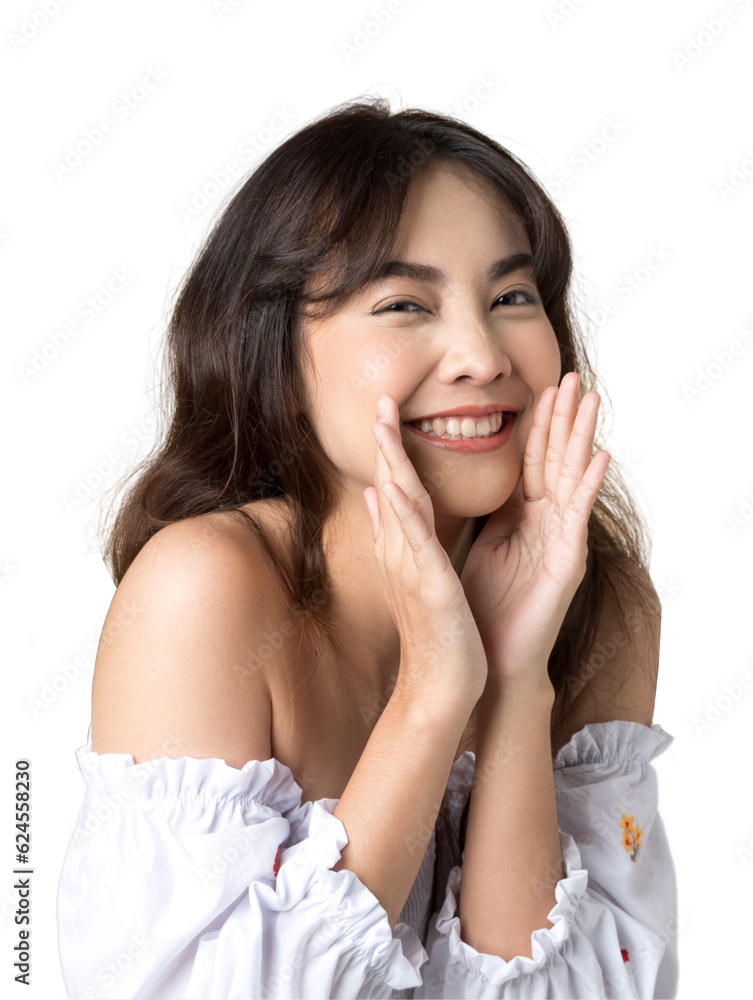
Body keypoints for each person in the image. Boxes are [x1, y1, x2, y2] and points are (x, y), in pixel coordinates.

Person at [56, 97, 678, 999]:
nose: (478, 354)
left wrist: (511, 681)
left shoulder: (598, 604)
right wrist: (433, 692)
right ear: (272, 351)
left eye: (511, 296)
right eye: (401, 304)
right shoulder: (206, 592)